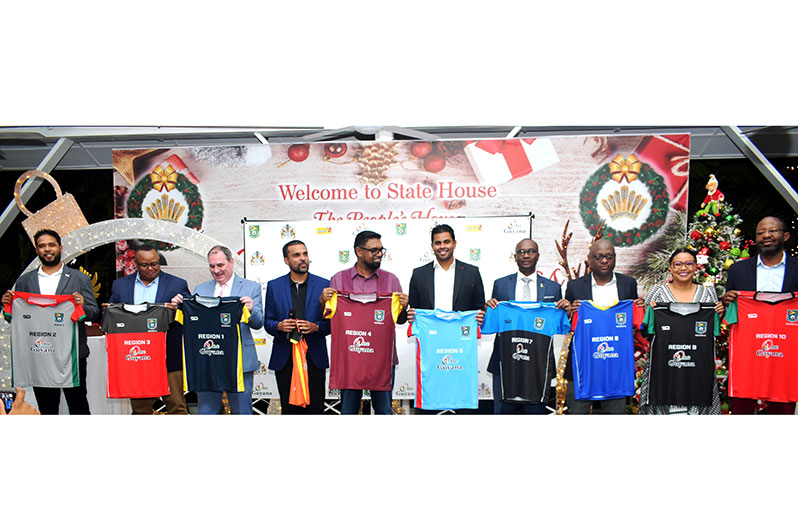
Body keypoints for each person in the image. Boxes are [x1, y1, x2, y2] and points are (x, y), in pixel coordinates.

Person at [2, 229, 99, 415]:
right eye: (42, 246)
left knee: (78, 405)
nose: (47, 249)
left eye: (51, 245)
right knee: (47, 408)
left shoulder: (80, 279)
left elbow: (94, 313)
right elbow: (19, 318)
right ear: (37, 250)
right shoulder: (24, 282)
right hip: (41, 354)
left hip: (72, 357)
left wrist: (83, 306)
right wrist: (9, 306)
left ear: (60, 248)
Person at [320, 230, 408, 415]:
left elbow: (399, 320)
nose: (379, 254)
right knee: (348, 411)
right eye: (374, 250)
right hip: (350, 359)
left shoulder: (391, 280)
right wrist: (322, 302)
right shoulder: (338, 279)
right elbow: (328, 318)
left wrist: (404, 308)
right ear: (359, 251)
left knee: (384, 410)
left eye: (381, 250)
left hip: (383, 360)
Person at [172, 245, 264, 415]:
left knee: (242, 412)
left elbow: (258, 323)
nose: (216, 270)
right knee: (206, 412)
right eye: (212, 266)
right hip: (208, 361)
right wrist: (179, 307)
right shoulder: (200, 289)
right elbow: (193, 323)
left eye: (220, 265)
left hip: (240, 362)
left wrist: (250, 311)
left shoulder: (251, 288)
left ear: (231, 262)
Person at [722, 216, 798, 414]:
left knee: (782, 413)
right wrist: (727, 300)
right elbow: (728, 309)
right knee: (742, 413)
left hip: (785, 359)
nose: (766, 236)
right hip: (748, 359)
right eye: (761, 233)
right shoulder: (738, 270)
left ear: (786, 235)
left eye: (772, 231)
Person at [485, 238, 570, 414]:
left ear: (538, 256)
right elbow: (493, 316)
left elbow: (559, 321)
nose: (526, 255)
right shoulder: (500, 284)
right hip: (504, 361)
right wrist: (488, 307)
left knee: (535, 414)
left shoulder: (553, 288)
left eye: (531, 251)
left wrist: (566, 309)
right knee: (503, 414)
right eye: (521, 252)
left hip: (538, 364)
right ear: (515, 256)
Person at [639, 248, 724, 415]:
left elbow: (714, 330)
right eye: (677, 264)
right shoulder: (657, 293)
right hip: (663, 368)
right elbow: (646, 328)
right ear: (670, 268)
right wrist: (651, 311)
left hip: (698, 368)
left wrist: (718, 312)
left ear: (695, 267)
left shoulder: (708, 294)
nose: (683, 268)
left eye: (688, 263)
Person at [107, 245, 191, 414]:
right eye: (145, 265)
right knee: (140, 410)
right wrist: (107, 310)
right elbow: (112, 316)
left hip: (168, 356)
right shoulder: (120, 286)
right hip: (137, 357)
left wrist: (180, 306)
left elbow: (190, 315)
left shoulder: (177, 284)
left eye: (155, 263)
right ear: (135, 264)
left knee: (177, 407)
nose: (151, 268)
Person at [564, 238, 642, 414]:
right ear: (589, 259)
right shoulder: (575, 286)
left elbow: (634, 322)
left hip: (615, 363)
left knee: (614, 415)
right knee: (578, 414)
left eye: (609, 256)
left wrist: (640, 307)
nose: (604, 261)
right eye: (598, 257)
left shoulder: (628, 284)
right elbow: (567, 322)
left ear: (615, 258)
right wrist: (569, 310)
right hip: (582, 365)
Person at [265, 240, 330, 414]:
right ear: (286, 260)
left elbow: (332, 323)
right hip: (285, 358)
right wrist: (278, 325)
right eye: (296, 255)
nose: (303, 259)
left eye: (305, 254)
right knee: (289, 410)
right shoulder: (274, 286)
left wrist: (315, 327)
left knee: (316, 409)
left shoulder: (324, 284)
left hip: (313, 357)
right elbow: (267, 322)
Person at [408, 224, 486, 318]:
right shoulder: (419, 275)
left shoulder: (471, 273)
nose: (442, 246)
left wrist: (480, 316)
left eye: (446, 242)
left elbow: (479, 308)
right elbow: (414, 309)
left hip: (461, 331)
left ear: (454, 244)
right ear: (432, 246)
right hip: (430, 331)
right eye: (438, 243)